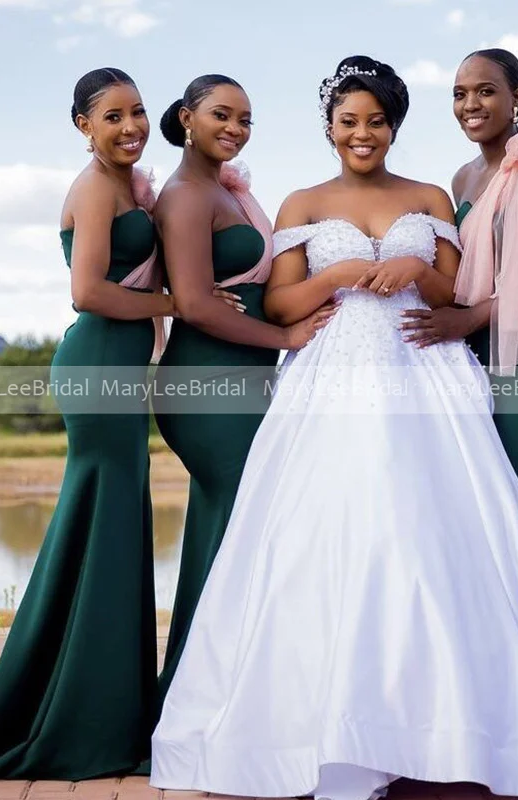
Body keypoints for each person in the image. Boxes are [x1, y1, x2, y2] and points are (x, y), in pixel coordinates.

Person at [149, 55, 518, 800]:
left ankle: (453, 726)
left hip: (424, 367)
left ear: (394, 126)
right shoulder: (300, 201)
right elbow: (279, 308)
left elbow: (461, 290)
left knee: (437, 537)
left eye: (377, 121)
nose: (363, 133)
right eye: (349, 121)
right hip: (333, 378)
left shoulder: (430, 192)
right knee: (330, 540)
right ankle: (329, 728)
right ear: (329, 128)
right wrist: (335, 278)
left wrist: (411, 273)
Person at [0, 68, 174, 780]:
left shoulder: (126, 186)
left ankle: (107, 707)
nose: (130, 126)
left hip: (119, 369)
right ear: (82, 126)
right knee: (102, 529)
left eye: (137, 112)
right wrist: (177, 302)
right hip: (99, 364)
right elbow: (88, 290)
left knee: (113, 528)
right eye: (112, 116)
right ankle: (81, 720)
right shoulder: (95, 188)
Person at [151, 74, 333, 699]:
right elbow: (197, 306)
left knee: (235, 526)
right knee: (243, 525)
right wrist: (286, 341)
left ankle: (216, 687)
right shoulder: (184, 196)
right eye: (221, 115)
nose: (235, 128)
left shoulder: (219, 187)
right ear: (186, 118)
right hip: (208, 385)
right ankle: (211, 695)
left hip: (244, 379)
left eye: (246, 120)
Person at [400, 48, 518, 548]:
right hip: (478, 355)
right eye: (459, 94)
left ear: (517, 97)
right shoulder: (461, 179)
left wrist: (473, 317)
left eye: (485, 91)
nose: (470, 104)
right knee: (496, 513)